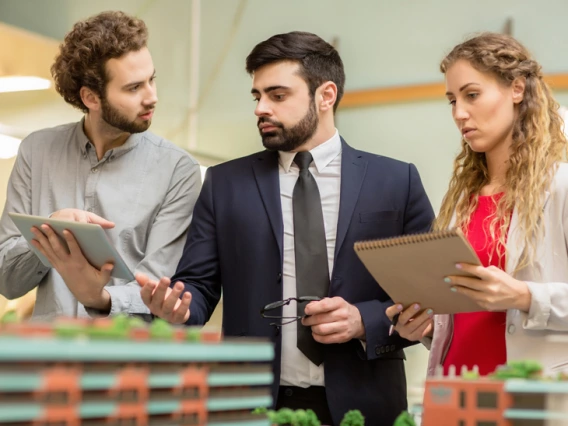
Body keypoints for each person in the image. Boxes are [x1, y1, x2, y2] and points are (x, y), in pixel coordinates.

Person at [137, 31, 434, 426]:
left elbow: (428, 300)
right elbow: (199, 287)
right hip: (251, 405)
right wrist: (176, 308)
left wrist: (366, 321)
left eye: (277, 96)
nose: (261, 108)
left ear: (325, 96)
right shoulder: (224, 184)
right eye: (256, 96)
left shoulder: (397, 181)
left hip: (367, 404)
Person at [387, 32, 568, 377]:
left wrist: (524, 296)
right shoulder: (462, 201)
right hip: (454, 390)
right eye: (452, 100)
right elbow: (464, 320)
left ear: (517, 89)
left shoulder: (561, 186)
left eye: (472, 95)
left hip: (524, 394)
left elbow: (517, 301)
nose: (459, 113)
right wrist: (425, 327)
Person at [0, 11, 201, 320]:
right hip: (48, 356)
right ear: (91, 97)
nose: (152, 97)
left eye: (152, 80)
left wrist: (100, 298)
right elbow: (7, 281)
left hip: (125, 359)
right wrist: (50, 232)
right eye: (134, 88)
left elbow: (158, 289)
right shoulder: (36, 151)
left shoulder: (177, 170)